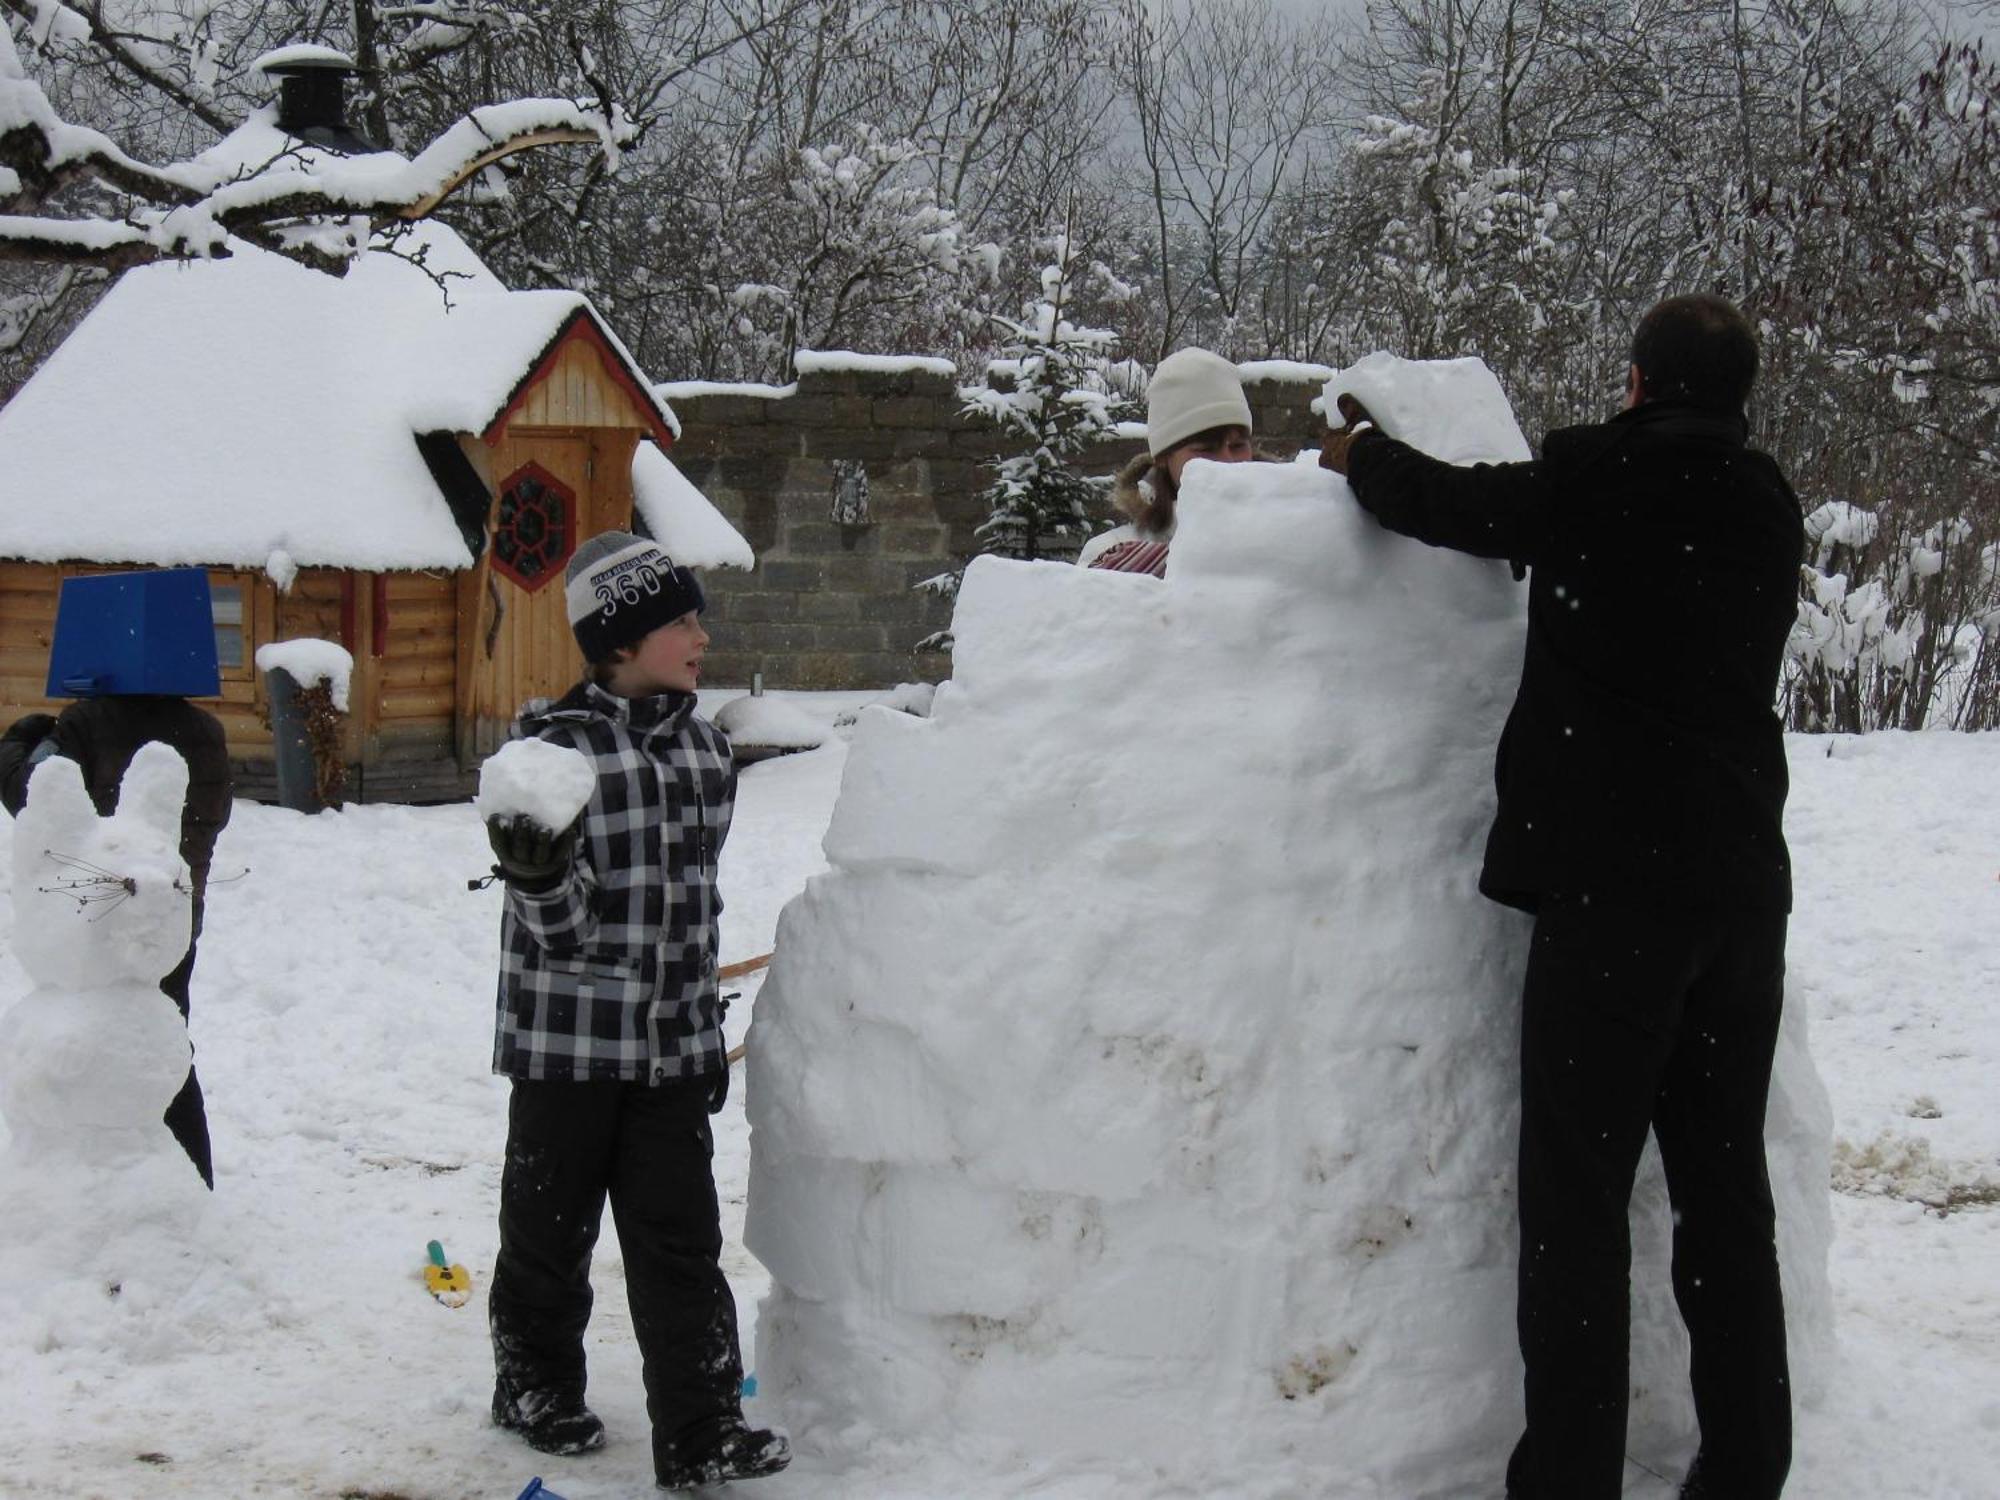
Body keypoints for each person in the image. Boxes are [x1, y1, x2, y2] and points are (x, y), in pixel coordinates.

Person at [1321, 294, 1803, 1500]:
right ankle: (1745, 1467)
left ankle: (1570, 1479)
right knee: (1724, 1199)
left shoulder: (1595, 480)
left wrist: (1357, 453)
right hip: (1739, 899)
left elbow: (1447, 507)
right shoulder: (1765, 504)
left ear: (1636, 383)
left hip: (1615, 904)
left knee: (1577, 1205)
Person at [482, 530, 790, 1493]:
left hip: (667, 1049)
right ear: (620, 639)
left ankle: (700, 1431)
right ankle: (534, 1387)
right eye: (681, 619)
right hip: (566, 1049)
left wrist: (700, 1031)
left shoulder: (706, 751)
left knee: (681, 1242)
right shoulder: (550, 756)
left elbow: (693, 908)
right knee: (549, 1231)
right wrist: (535, 877)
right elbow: (560, 934)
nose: (702, 633)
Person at [1, 579, 232, 1191]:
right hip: (175, 917)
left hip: (99, 926)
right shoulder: (206, 731)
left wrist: (21, 747)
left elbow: (43, 805)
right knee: (164, 1042)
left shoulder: (89, 722)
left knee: (92, 1050)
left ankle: (94, 1188)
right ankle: (188, 1180)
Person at [1078, 346, 1255, 576]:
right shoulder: (1114, 558)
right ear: (1163, 458)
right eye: (1205, 450)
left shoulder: (1286, 534)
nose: (1227, 463)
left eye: (1238, 446)